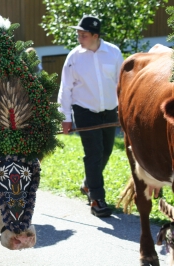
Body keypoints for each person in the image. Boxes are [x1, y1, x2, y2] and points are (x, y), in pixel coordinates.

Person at [57, 15, 123, 218]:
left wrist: (125, 108)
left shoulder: (113, 53)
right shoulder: (74, 58)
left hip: (110, 110)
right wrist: (66, 117)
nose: (79, 38)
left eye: (83, 34)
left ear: (96, 35)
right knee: (93, 154)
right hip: (84, 110)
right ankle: (97, 198)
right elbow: (65, 88)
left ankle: (88, 183)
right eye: (78, 34)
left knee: (106, 151)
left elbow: (122, 82)